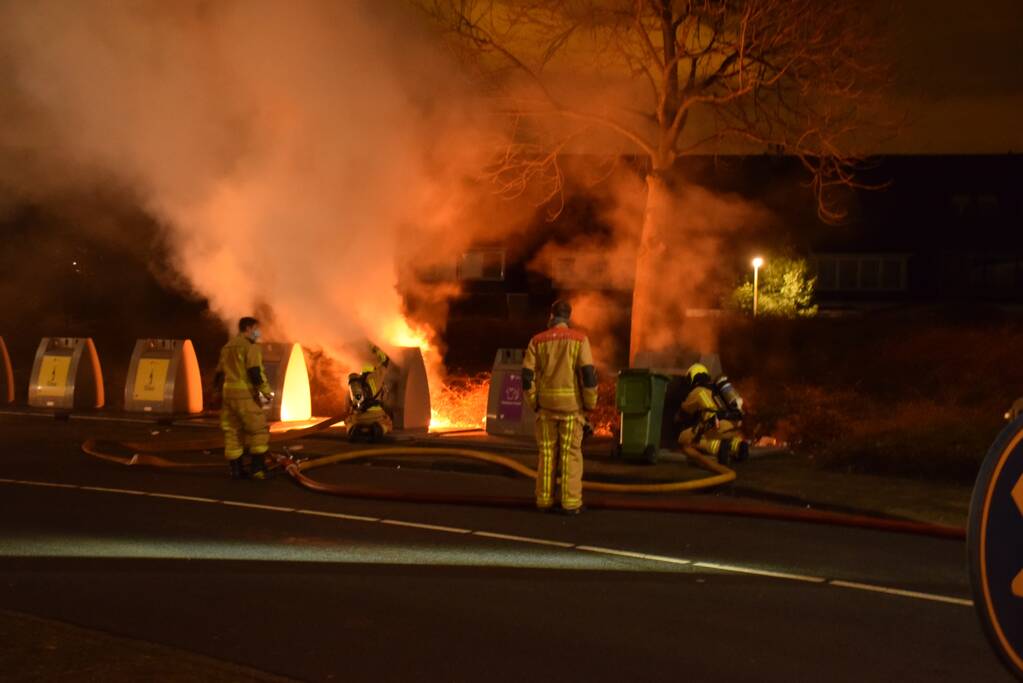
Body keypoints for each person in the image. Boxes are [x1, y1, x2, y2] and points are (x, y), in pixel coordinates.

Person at [522, 300, 598, 514]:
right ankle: (571, 503)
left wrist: (534, 402)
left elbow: (527, 377)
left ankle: (544, 501)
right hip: (571, 409)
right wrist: (589, 403)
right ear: (569, 317)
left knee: (546, 455)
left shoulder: (537, 341)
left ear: (551, 315)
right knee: (570, 455)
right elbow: (589, 375)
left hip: (545, 408)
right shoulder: (579, 340)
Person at [213, 317, 273, 479]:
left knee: (232, 431)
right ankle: (258, 470)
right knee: (258, 430)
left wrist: (216, 392)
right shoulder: (250, 347)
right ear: (248, 328)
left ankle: (236, 470)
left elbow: (219, 372)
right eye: (256, 328)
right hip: (245, 395)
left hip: (228, 395)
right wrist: (267, 392)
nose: (258, 332)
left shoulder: (227, 347)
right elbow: (255, 372)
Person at [676, 363, 749, 465]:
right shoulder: (716, 389)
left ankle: (718, 447)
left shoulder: (698, 391)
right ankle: (737, 446)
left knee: (684, 438)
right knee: (725, 439)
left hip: (717, 427)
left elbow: (683, 412)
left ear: (692, 377)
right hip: (733, 425)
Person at [346, 344, 392, 442]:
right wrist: (374, 347)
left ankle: (352, 430)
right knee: (388, 422)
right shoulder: (376, 376)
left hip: (358, 418)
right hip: (376, 416)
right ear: (372, 370)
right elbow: (385, 360)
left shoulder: (355, 384)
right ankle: (378, 429)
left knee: (348, 421)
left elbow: (348, 405)